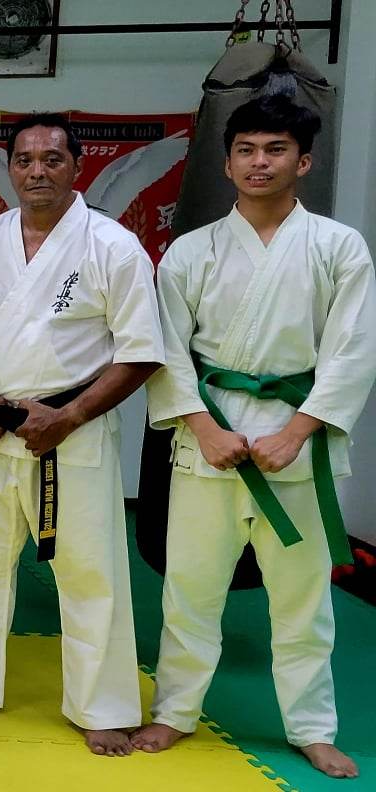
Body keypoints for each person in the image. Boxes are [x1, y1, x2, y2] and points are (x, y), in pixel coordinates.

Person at [0, 114, 162, 757]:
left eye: (51, 159)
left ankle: (101, 707)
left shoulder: (112, 245)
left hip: (70, 429)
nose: (37, 171)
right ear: (10, 168)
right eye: (24, 160)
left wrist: (70, 417)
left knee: (89, 571)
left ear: (76, 166)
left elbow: (141, 351)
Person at [132, 97, 370, 780]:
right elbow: (166, 350)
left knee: (303, 603)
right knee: (190, 593)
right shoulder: (191, 251)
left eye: (274, 149)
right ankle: (175, 712)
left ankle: (313, 729)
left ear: (305, 160)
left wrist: (300, 430)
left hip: (300, 445)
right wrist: (202, 427)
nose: (259, 162)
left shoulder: (337, 247)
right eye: (246, 150)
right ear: (226, 159)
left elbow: (354, 349)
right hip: (209, 444)